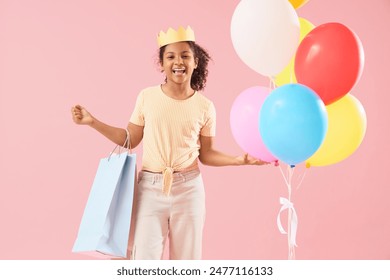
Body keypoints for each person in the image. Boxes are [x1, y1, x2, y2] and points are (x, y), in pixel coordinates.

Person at [71, 26, 269, 260]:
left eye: (185, 56)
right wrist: (92, 122)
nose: (178, 62)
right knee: (144, 263)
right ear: (162, 64)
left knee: (187, 264)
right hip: (150, 190)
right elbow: (130, 139)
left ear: (196, 62)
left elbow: (206, 154)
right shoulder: (147, 97)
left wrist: (240, 160)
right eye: (171, 56)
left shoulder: (205, 107)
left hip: (189, 189)